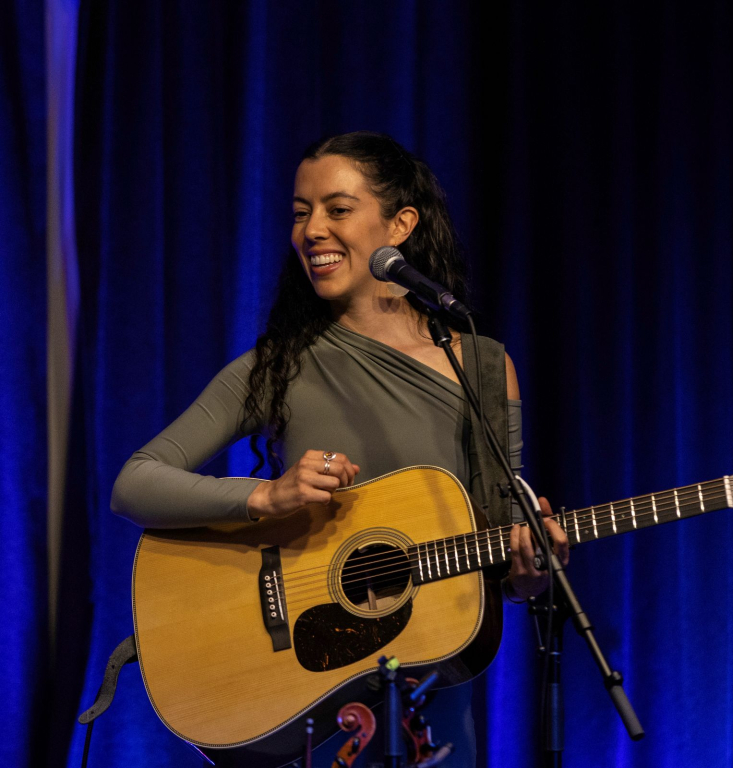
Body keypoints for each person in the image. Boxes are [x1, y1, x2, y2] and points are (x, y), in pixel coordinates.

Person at [111, 131, 570, 766]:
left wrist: (527, 570)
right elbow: (135, 482)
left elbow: (500, 545)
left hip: (432, 705)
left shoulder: (484, 368)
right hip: (311, 705)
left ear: (401, 224)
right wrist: (267, 495)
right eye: (301, 213)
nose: (312, 230)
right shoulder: (278, 366)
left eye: (337, 209)